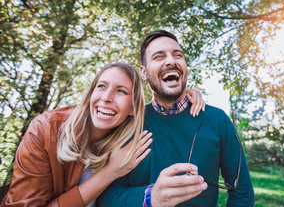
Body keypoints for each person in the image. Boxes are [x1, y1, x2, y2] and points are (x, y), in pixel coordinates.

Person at [0, 62, 205, 207]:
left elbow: (163, 112)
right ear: (91, 94)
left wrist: (182, 96)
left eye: (121, 91)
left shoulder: (131, 138)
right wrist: (110, 172)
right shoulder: (45, 130)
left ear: (133, 108)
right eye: (101, 87)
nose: (106, 98)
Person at [99, 30, 255, 207]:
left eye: (177, 55)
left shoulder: (218, 121)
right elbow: (106, 198)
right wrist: (151, 197)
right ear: (143, 72)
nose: (171, 61)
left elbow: (242, 194)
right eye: (158, 57)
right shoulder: (127, 124)